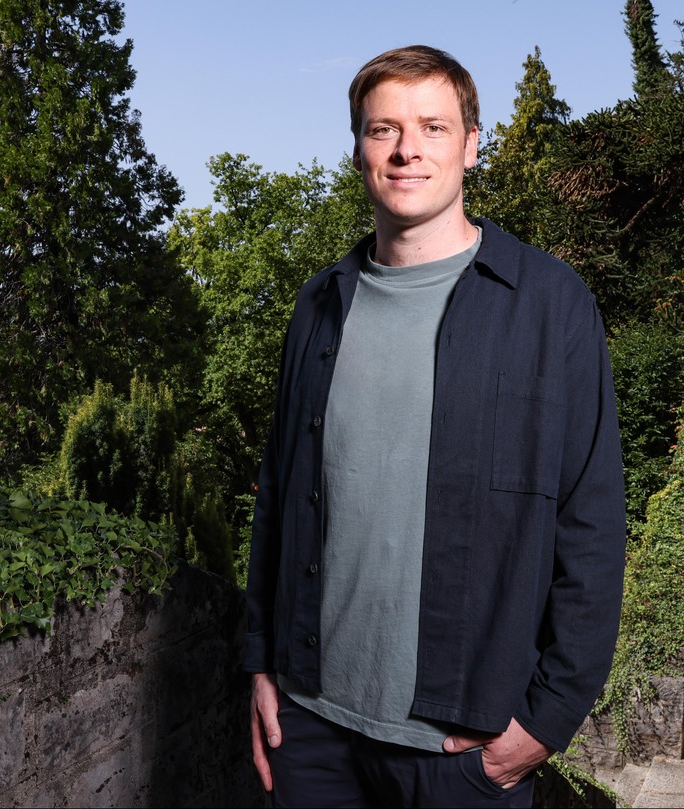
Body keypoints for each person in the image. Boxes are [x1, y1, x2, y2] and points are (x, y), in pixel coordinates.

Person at [243, 45, 626, 808]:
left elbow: (592, 524)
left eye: (432, 127)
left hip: (462, 754)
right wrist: (260, 663)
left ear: (472, 144)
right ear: (358, 149)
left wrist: (545, 723)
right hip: (310, 732)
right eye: (383, 129)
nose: (407, 149)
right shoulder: (317, 306)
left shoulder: (550, 305)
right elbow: (278, 497)